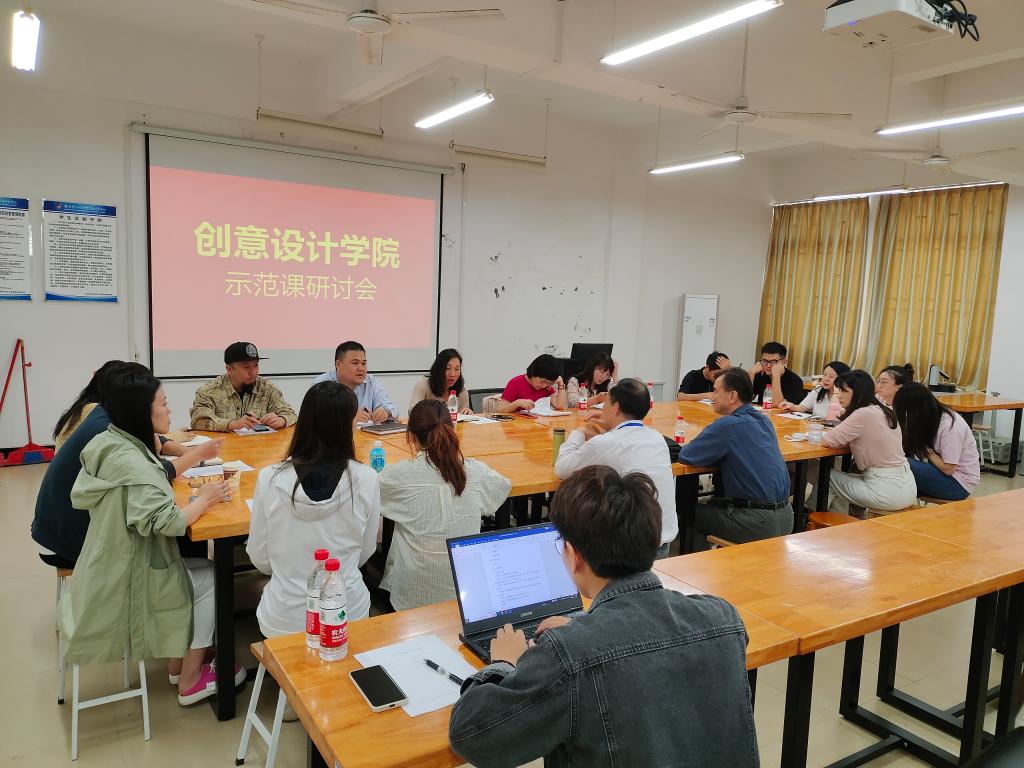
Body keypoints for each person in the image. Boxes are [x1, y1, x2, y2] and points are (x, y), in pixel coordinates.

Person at [448, 465, 758, 768]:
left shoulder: (568, 655)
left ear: (574, 556)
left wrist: (505, 663)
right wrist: (584, 627)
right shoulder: (723, 618)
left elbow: (470, 735)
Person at [61, 368, 243, 706]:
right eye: (164, 403)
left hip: (105, 566)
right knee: (214, 580)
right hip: (127, 580)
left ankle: (176, 663)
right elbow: (169, 522)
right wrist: (205, 499)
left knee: (201, 568)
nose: (169, 410)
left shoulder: (111, 442)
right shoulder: (136, 466)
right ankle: (190, 678)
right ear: (142, 412)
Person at [32, 362, 222, 567]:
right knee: (182, 528)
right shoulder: (111, 439)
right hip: (68, 541)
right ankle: (187, 576)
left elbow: (155, 452)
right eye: (163, 403)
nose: (169, 410)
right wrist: (198, 460)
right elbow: (155, 480)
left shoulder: (107, 416)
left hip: (57, 528)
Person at [247, 381, 381, 635]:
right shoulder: (367, 478)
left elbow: (259, 556)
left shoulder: (270, 478)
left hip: (285, 616)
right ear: (346, 426)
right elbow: (365, 551)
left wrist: (290, 572)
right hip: (347, 612)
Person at [379, 400, 511, 610]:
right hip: (465, 593)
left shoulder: (400, 476)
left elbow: (371, 493)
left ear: (411, 436)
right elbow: (503, 485)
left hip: (412, 597)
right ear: (451, 429)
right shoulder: (475, 471)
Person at [554, 378, 677, 556]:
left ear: (616, 407)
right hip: (663, 542)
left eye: (606, 403)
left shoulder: (606, 443)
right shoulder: (657, 437)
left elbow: (562, 469)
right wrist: (612, 425)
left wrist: (579, 432)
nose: (603, 408)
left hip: (631, 550)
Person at [677, 368, 793, 548]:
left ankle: (696, 563)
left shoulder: (727, 425)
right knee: (715, 502)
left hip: (758, 524)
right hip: (786, 517)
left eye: (716, 391)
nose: (712, 396)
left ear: (732, 396)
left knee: (688, 509)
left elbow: (686, 455)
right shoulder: (764, 420)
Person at [822, 370, 917, 515]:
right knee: (839, 477)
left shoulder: (863, 413)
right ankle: (832, 518)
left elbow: (827, 441)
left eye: (844, 391)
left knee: (824, 475)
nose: (839, 395)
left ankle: (814, 518)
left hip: (886, 491)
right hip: (907, 486)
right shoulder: (884, 410)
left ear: (858, 393)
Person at [893, 383, 980, 501]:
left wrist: (927, 451)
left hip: (958, 485)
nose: (906, 417)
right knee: (898, 469)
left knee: (902, 463)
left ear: (915, 410)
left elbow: (949, 469)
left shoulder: (950, 427)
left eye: (906, 412)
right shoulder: (931, 417)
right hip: (944, 475)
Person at [190, 342, 296, 432]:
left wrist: (282, 419)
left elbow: (290, 414)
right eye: (246, 367)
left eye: (256, 365)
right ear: (229, 369)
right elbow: (198, 421)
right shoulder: (209, 392)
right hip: (224, 448)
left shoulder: (266, 388)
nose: (253, 372)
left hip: (258, 447)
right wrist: (233, 424)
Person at [313, 341, 398, 424]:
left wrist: (386, 413)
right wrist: (348, 417)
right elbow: (315, 418)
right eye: (355, 363)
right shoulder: (321, 384)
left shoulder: (370, 382)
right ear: (338, 365)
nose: (361, 368)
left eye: (364, 364)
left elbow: (393, 409)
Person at [497, 354, 569, 413]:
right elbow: (499, 410)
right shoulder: (515, 383)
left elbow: (560, 407)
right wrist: (517, 403)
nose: (544, 386)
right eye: (542, 381)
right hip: (516, 424)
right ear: (533, 373)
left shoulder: (546, 386)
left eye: (549, 383)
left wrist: (561, 382)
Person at [409, 348, 472, 415]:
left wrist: (467, 413)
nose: (452, 374)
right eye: (448, 368)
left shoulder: (461, 390)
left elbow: (463, 417)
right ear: (439, 369)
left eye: (457, 369)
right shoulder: (424, 385)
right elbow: (412, 412)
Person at [780, 361, 850, 419]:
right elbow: (801, 408)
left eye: (831, 376)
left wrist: (836, 391)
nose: (826, 379)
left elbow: (832, 419)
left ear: (842, 379)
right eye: (824, 374)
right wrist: (791, 405)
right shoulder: (818, 390)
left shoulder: (847, 395)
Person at [749, 341, 805, 406]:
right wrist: (751, 373)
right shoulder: (760, 374)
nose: (768, 365)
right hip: (761, 411)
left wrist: (776, 375)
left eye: (773, 362)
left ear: (784, 362)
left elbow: (777, 405)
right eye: (765, 361)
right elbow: (744, 400)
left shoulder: (795, 381)